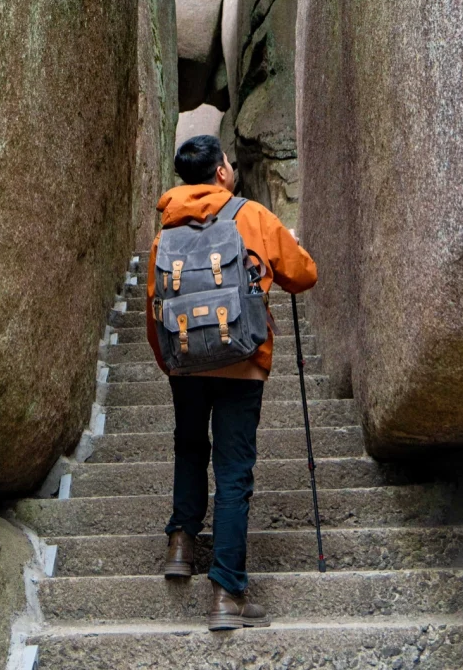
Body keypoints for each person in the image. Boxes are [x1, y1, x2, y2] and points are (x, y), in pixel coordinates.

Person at [146, 134, 318, 632]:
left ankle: (181, 543)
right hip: (242, 359)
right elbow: (304, 276)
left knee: (189, 447)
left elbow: (154, 310)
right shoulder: (253, 216)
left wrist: (172, 363)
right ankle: (225, 593)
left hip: (186, 363)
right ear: (222, 171)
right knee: (234, 470)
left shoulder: (167, 229)